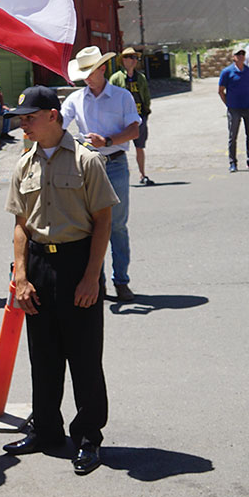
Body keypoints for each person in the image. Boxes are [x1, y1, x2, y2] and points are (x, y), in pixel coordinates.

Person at [1, 86, 119, 476]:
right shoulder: (24, 164)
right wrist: (21, 275)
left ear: (53, 115)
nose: (23, 124)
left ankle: (88, 437)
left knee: (84, 357)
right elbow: (21, 224)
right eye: (21, 118)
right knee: (44, 357)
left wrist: (91, 278)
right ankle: (46, 429)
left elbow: (104, 222)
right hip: (38, 265)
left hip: (77, 262)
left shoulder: (87, 161)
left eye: (29, 117)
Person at [62, 47, 141, 304]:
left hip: (115, 163)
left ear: (103, 69)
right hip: (89, 166)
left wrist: (107, 140)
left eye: (89, 71)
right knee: (89, 227)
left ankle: (122, 281)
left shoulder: (122, 96)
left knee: (116, 225)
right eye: (83, 72)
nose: (86, 77)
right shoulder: (75, 99)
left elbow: (134, 131)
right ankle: (98, 280)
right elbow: (59, 124)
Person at [110, 47, 154, 186]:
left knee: (140, 146)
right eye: (131, 57)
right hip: (121, 119)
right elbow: (110, 98)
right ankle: (123, 174)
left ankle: (142, 175)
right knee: (119, 147)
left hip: (139, 117)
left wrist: (146, 111)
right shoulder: (116, 78)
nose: (135, 60)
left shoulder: (140, 77)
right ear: (124, 60)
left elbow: (146, 95)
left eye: (136, 57)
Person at [218, 46, 249, 174]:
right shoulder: (227, 72)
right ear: (233, 57)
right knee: (233, 136)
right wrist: (228, 104)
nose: (241, 56)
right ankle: (232, 162)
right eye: (238, 54)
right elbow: (221, 91)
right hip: (234, 109)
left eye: (243, 54)